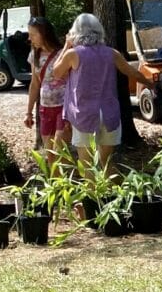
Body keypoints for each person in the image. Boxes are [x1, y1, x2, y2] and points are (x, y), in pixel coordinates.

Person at [52, 13, 154, 174]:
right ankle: (114, 190)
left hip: (84, 114)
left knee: (87, 164)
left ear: (75, 32)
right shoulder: (111, 53)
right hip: (109, 113)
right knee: (106, 162)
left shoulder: (73, 54)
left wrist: (66, 45)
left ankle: (94, 191)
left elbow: (56, 73)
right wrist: (151, 84)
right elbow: (132, 72)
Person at [23, 17, 72, 162]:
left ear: (44, 33)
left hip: (64, 108)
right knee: (50, 155)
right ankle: (54, 177)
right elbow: (34, 84)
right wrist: (29, 112)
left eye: (33, 34)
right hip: (45, 109)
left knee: (59, 151)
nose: (29, 38)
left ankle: (67, 176)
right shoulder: (34, 55)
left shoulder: (64, 53)